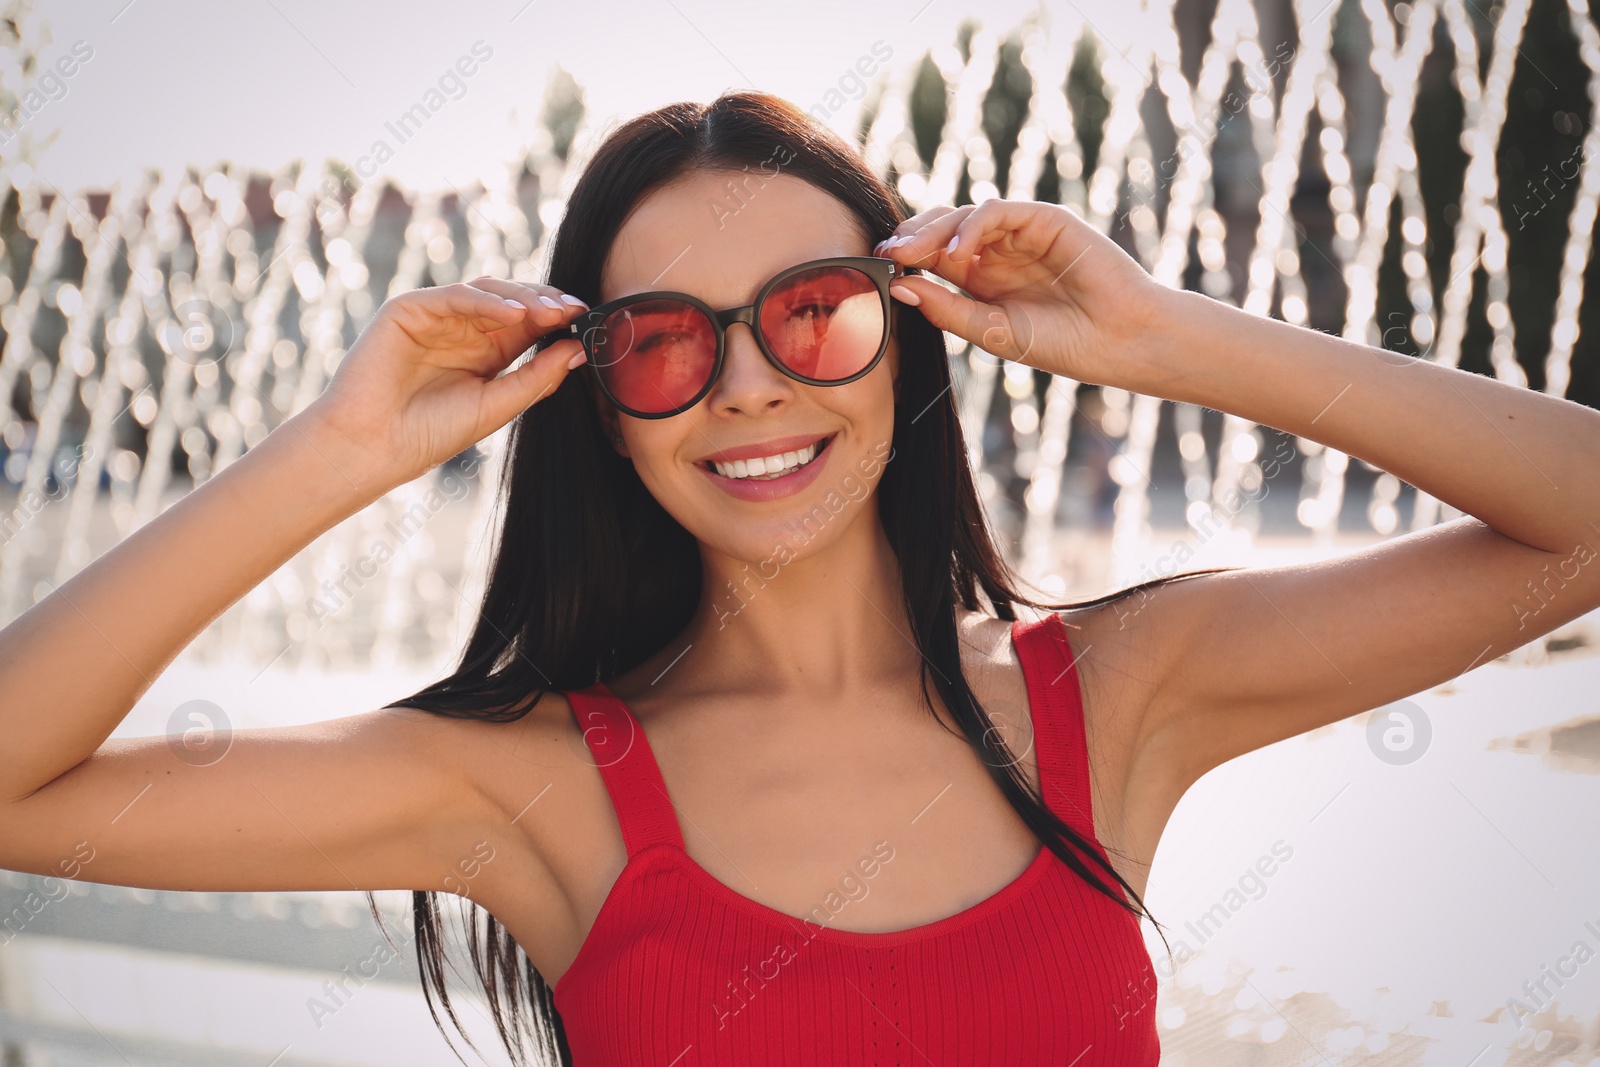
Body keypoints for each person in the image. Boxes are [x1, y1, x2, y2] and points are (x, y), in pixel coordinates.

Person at [2, 89, 1596, 1067]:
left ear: (906, 348)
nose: (750, 387)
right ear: (600, 409)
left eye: (816, 310)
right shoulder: (537, 787)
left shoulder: (1114, 692)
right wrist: (342, 450)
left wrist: (1164, 337)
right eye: (663, 344)